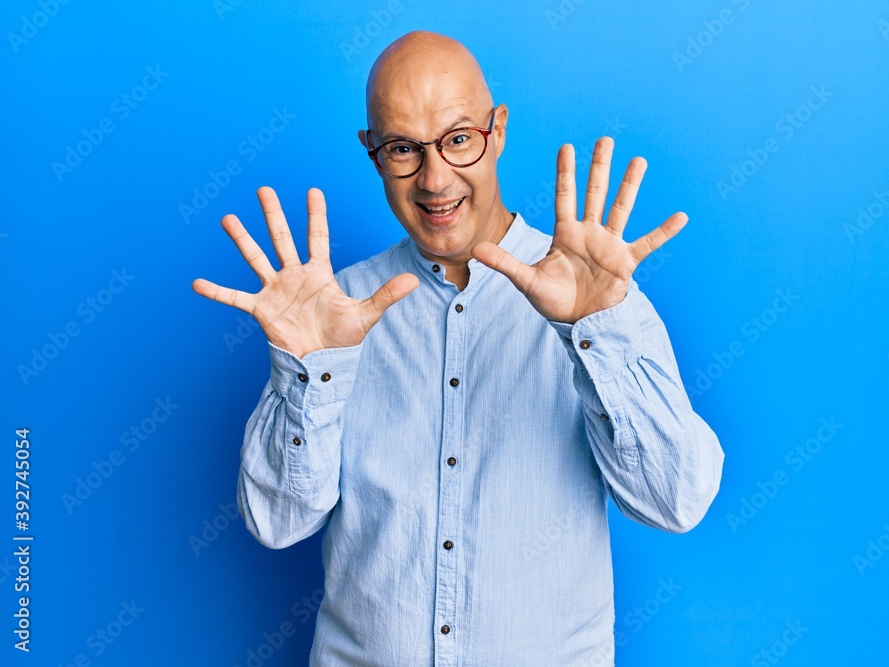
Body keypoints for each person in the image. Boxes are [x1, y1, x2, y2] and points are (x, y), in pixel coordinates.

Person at [193, 30, 724, 667]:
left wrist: (597, 330)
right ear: (373, 153)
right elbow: (277, 523)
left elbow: (676, 501)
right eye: (402, 150)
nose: (435, 178)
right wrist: (309, 371)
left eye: (458, 139)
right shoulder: (337, 310)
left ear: (496, 131)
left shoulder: (595, 294)